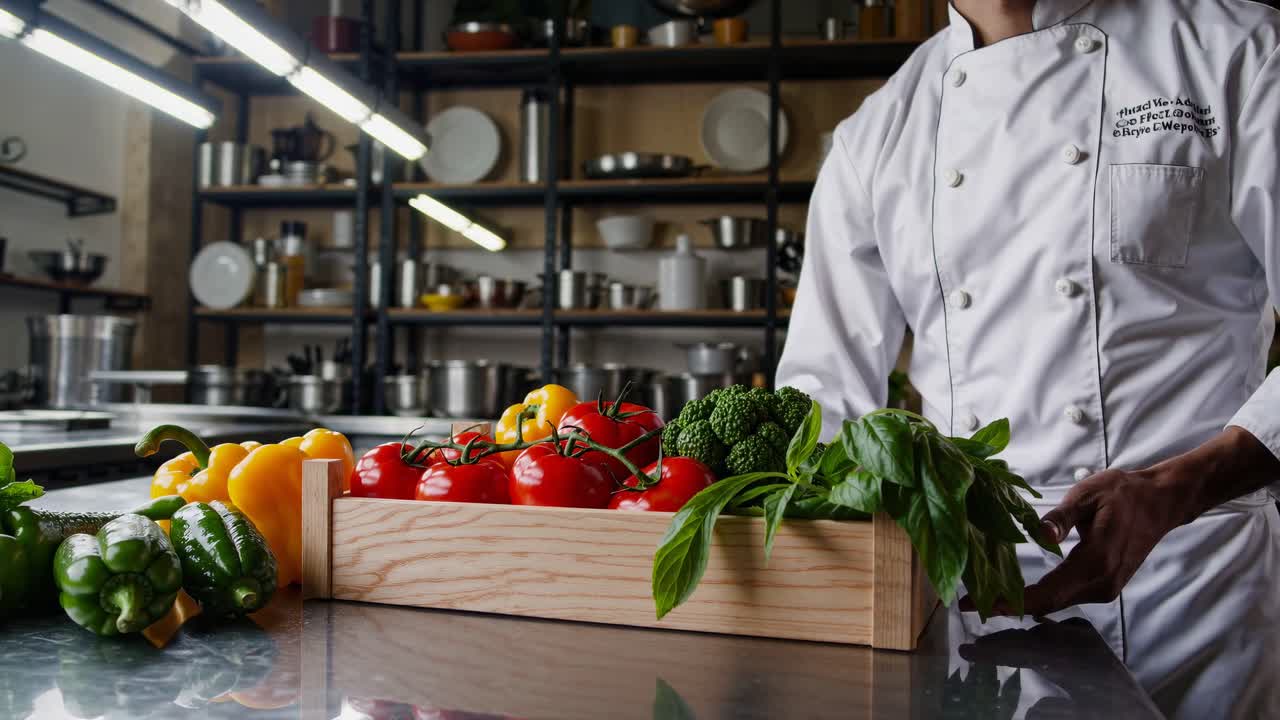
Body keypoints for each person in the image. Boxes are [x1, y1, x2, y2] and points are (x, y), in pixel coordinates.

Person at [776, 0, 1280, 713]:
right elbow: (822, 411)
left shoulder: (1237, 52)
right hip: (979, 604)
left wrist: (1182, 487)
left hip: (1192, 592)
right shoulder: (878, 134)